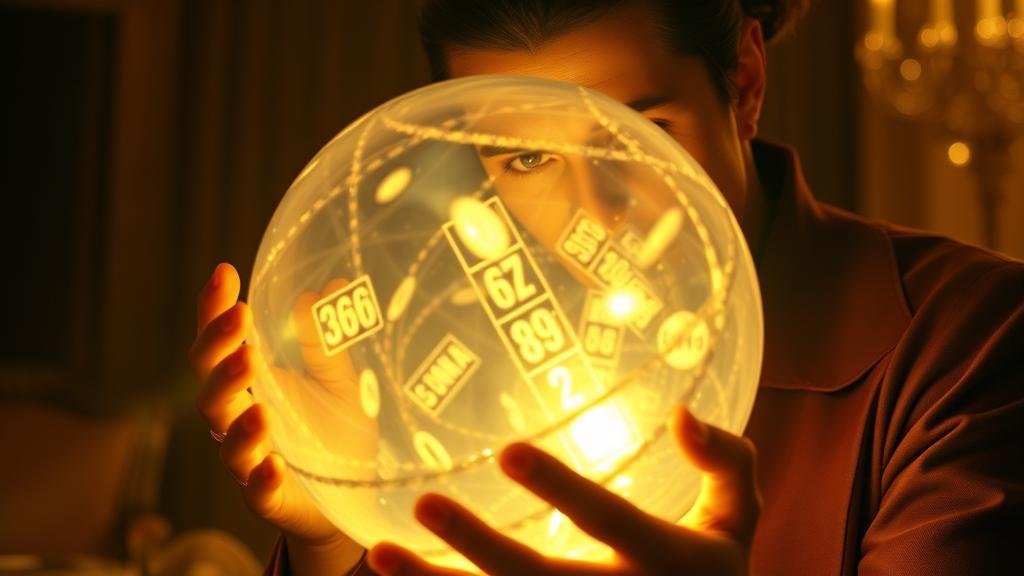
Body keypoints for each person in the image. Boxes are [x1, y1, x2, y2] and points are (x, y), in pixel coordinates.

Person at [188, 1, 1024, 574]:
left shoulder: (973, 342)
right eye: (527, 159)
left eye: (641, 133)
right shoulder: (445, 388)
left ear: (745, 82)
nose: (595, 213)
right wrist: (339, 538)